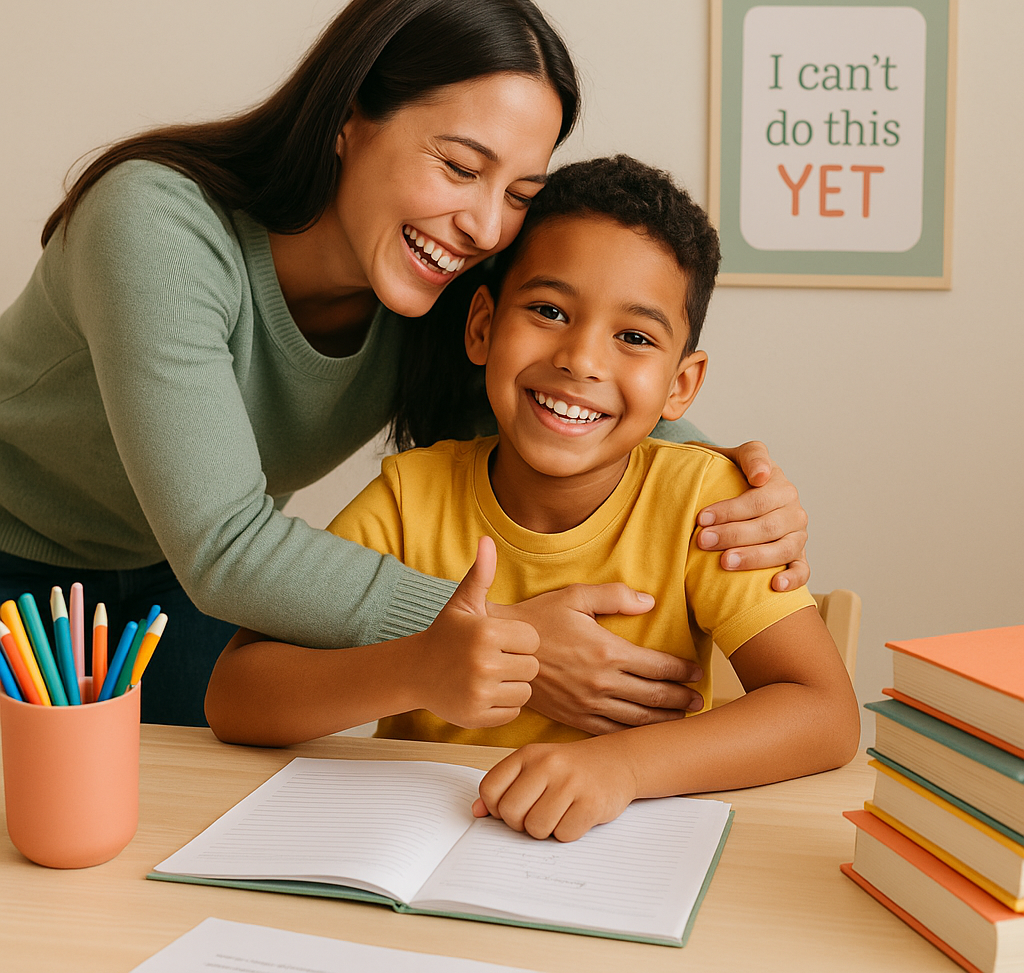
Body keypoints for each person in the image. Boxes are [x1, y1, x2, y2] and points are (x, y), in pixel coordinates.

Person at [0, 0, 809, 728]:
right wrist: (500, 637)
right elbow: (226, 543)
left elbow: (581, 382)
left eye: (519, 193)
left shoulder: (444, 285)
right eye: (460, 167)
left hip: (184, 592)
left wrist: (731, 492)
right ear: (350, 117)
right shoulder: (155, 224)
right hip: (22, 569)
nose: (486, 227)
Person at [205, 155, 860, 842]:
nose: (581, 359)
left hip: (620, 858)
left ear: (681, 385)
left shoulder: (704, 503)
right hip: (414, 851)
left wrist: (624, 768)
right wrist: (416, 669)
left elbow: (824, 713)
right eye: (549, 311)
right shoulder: (408, 498)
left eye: (633, 337)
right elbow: (236, 697)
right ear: (483, 326)